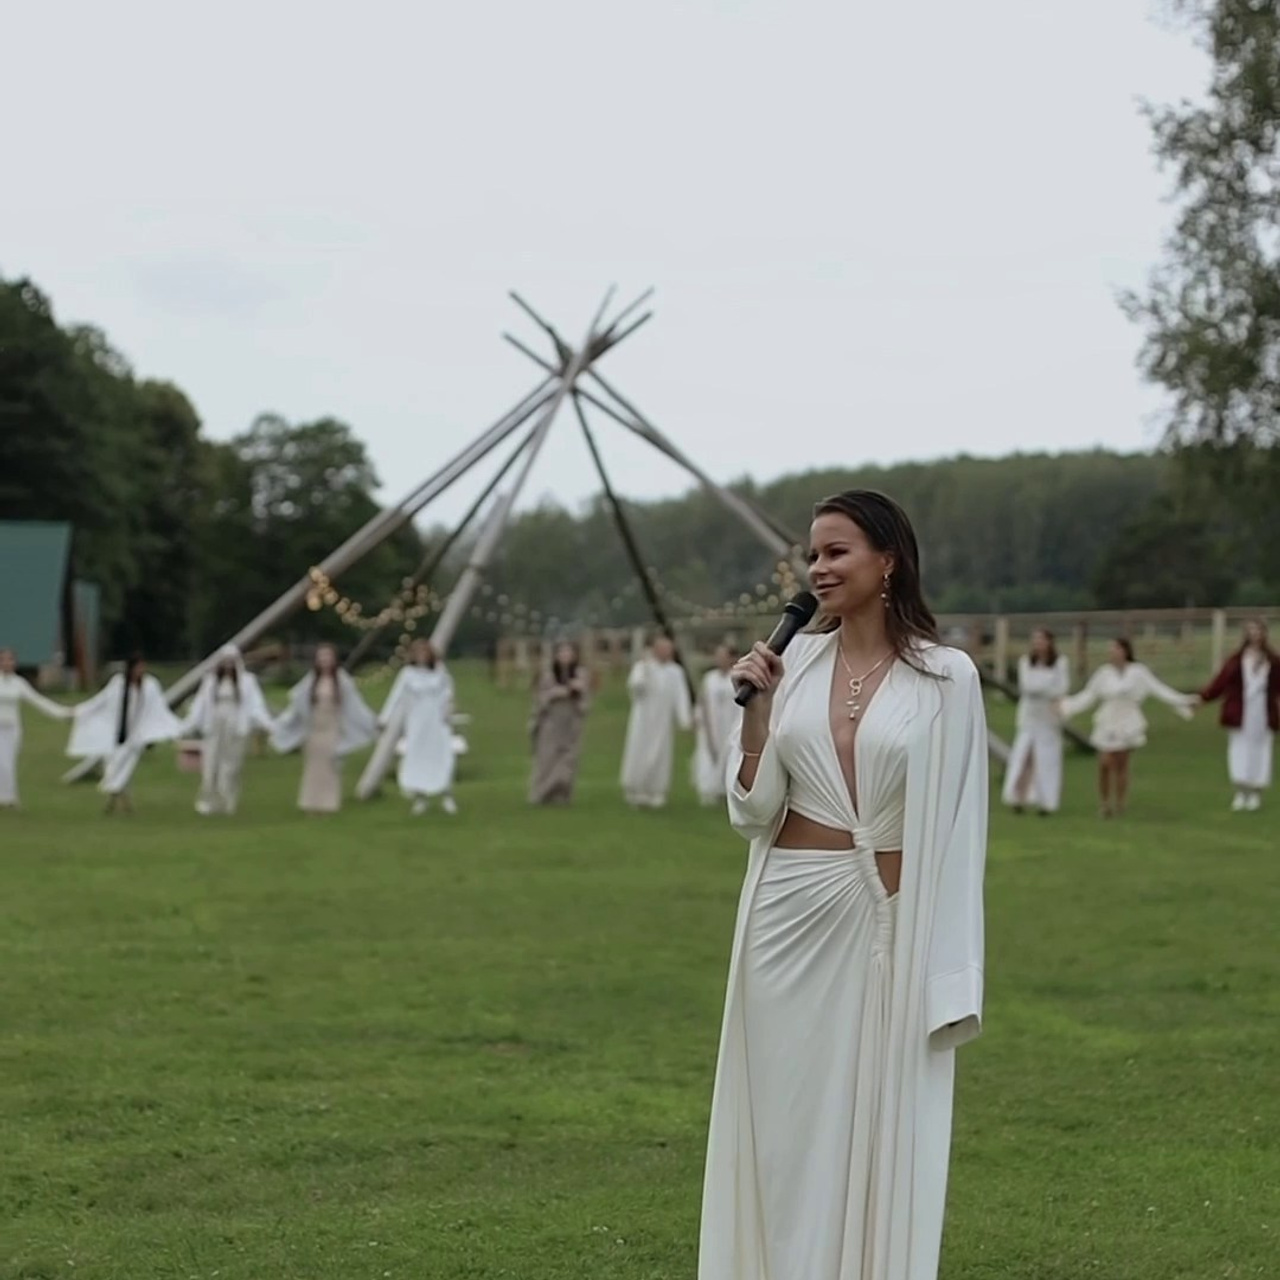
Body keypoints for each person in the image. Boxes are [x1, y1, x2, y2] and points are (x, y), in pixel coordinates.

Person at [699, 489, 988, 1280]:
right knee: (785, 1132)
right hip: (785, 921)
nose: (817, 568)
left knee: (876, 1123)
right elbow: (751, 810)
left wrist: (951, 971)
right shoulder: (794, 666)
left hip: (886, 926)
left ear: (888, 558)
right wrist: (756, 714)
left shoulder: (946, 678)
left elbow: (963, 832)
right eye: (813, 554)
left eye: (836, 551)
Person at [1059, 638, 1197, 818]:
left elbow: (1159, 690)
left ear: (1125, 651)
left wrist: (1184, 701)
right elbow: (1088, 695)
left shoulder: (1138, 672)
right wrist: (1065, 706)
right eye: (1110, 649)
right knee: (1105, 762)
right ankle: (1104, 803)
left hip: (1128, 719)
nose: (1112, 652)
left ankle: (1120, 803)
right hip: (1108, 719)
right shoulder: (1103, 673)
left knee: (1121, 763)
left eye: (1116, 648)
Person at [67, 654, 182, 814]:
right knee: (114, 769)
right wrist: (80, 710)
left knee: (125, 771)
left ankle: (119, 805)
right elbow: (101, 700)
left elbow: (158, 708)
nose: (141, 671)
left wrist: (173, 729)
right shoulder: (119, 684)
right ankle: (120, 805)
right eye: (138, 667)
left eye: (143, 667)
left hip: (136, 736)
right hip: (117, 734)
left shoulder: (149, 686)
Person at [270, 644, 377, 815]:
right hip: (315, 729)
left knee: (330, 766)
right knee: (313, 767)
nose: (325, 661)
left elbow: (355, 705)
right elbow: (298, 702)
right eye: (321, 657)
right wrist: (282, 723)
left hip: (332, 727)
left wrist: (372, 721)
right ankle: (311, 803)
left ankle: (328, 804)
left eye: (328, 657)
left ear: (333, 659)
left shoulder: (341, 680)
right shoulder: (311, 680)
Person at [177, 644, 275, 816]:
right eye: (225, 662)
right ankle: (209, 801)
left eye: (231, 662)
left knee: (230, 766)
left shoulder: (247, 681)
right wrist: (187, 725)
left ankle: (228, 800)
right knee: (211, 764)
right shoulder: (211, 681)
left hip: (235, 727)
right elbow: (200, 705)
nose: (228, 666)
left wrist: (268, 724)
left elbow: (256, 707)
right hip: (215, 726)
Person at [1197, 619, 1280, 812]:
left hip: (1263, 712)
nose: (1254, 635)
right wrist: (1203, 698)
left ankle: (1256, 793)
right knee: (1239, 749)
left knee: (1261, 751)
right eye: (1251, 631)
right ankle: (1241, 791)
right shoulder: (1236, 661)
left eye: (1258, 631)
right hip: (1240, 712)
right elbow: (1220, 683)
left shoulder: (1272, 661)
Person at [380, 639, 458, 816]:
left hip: (437, 722)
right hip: (417, 722)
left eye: (425, 653)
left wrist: (448, 709)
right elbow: (396, 696)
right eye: (418, 653)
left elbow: (448, 692)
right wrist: (385, 717)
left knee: (442, 756)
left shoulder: (439, 672)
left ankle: (446, 795)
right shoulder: (407, 674)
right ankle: (420, 797)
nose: (422, 656)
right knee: (417, 757)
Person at [1001, 627, 1071, 815]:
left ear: (1049, 642)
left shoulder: (1059, 662)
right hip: (1029, 716)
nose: (1038, 644)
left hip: (1048, 717)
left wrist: (1045, 690)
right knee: (1023, 756)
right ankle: (1018, 797)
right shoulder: (1026, 662)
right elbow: (1027, 687)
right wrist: (1046, 688)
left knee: (1047, 759)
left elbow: (1061, 688)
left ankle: (1046, 802)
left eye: (1041, 640)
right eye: (1035, 640)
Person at [619, 632, 692, 808]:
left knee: (661, 753)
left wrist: (685, 719)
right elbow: (636, 688)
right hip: (643, 719)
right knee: (638, 751)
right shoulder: (643, 667)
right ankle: (635, 788)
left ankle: (656, 790)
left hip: (663, 721)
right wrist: (644, 669)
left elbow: (681, 696)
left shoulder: (675, 671)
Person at [0, 647, 73, 808]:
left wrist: (62, 713)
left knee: (9, 763)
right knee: (1, 763)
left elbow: (38, 701)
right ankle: (5, 798)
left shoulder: (18, 683)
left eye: (10, 660)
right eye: (3, 660)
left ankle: (10, 798)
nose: (7, 663)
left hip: (12, 729)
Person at [528, 640, 591, 805]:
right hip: (551, 721)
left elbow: (585, 702)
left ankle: (562, 795)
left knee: (567, 759)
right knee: (547, 758)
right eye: (562, 653)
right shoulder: (548, 674)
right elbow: (539, 698)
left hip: (570, 721)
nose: (565, 656)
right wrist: (554, 693)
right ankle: (542, 794)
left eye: (568, 653)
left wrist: (578, 690)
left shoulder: (580, 674)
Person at [691, 644, 738, 806]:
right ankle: (708, 789)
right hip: (711, 725)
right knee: (708, 754)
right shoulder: (709, 678)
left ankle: (727, 791)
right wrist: (697, 716)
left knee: (730, 755)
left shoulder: (737, 677)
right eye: (718, 656)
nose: (720, 660)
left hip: (730, 723)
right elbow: (702, 700)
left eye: (724, 656)